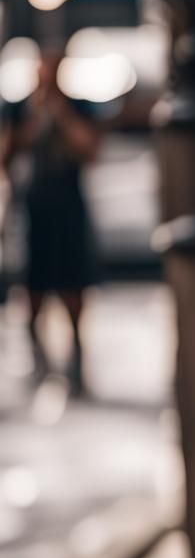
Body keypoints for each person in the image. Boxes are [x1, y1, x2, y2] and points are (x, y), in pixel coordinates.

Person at [0, 42, 101, 393]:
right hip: (33, 208)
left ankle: (76, 360)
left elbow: (90, 148)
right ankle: (40, 360)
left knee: (74, 287)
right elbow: (7, 154)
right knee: (33, 289)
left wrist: (59, 115)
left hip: (68, 206)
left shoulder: (76, 105)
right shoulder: (18, 108)